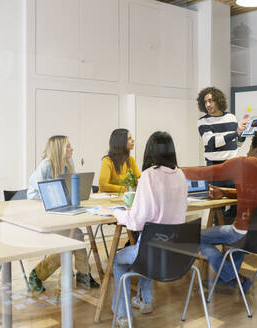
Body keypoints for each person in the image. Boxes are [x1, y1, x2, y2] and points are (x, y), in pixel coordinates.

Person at [95, 131, 188, 328]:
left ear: (150, 150)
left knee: (119, 260)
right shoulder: (181, 174)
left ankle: (122, 314)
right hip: (177, 252)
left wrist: (116, 214)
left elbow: (136, 222)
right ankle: (145, 301)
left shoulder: (149, 175)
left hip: (151, 249)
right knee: (147, 249)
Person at [181, 131, 257, 292]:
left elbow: (206, 172)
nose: (248, 148)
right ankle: (228, 279)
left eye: (251, 145)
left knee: (194, 236)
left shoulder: (244, 163)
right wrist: (226, 193)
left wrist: (175, 170)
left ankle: (235, 277)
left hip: (242, 233)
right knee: (238, 239)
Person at [26, 135, 99, 292]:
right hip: (41, 213)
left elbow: (70, 186)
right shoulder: (45, 166)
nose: (71, 149)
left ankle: (82, 275)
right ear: (59, 149)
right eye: (68, 146)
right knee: (75, 237)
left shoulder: (69, 163)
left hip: (60, 209)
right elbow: (39, 193)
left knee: (76, 235)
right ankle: (37, 274)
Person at [196, 87, 248, 224]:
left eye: (211, 101)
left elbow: (237, 144)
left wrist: (243, 135)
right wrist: (235, 133)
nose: (208, 104)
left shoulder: (231, 118)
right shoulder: (202, 122)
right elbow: (212, 142)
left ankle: (231, 235)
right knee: (217, 207)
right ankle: (217, 237)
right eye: (205, 101)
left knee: (237, 204)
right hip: (214, 169)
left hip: (233, 167)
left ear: (218, 101)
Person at [99, 129, 141, 193]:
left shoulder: (131, 159)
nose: (132, 141)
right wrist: (126, 189)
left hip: (124, 198)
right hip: (107, 200)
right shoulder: (107, 161)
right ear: (121, 142)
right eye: (129, 138)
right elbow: (103, 186)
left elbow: (139, 179)